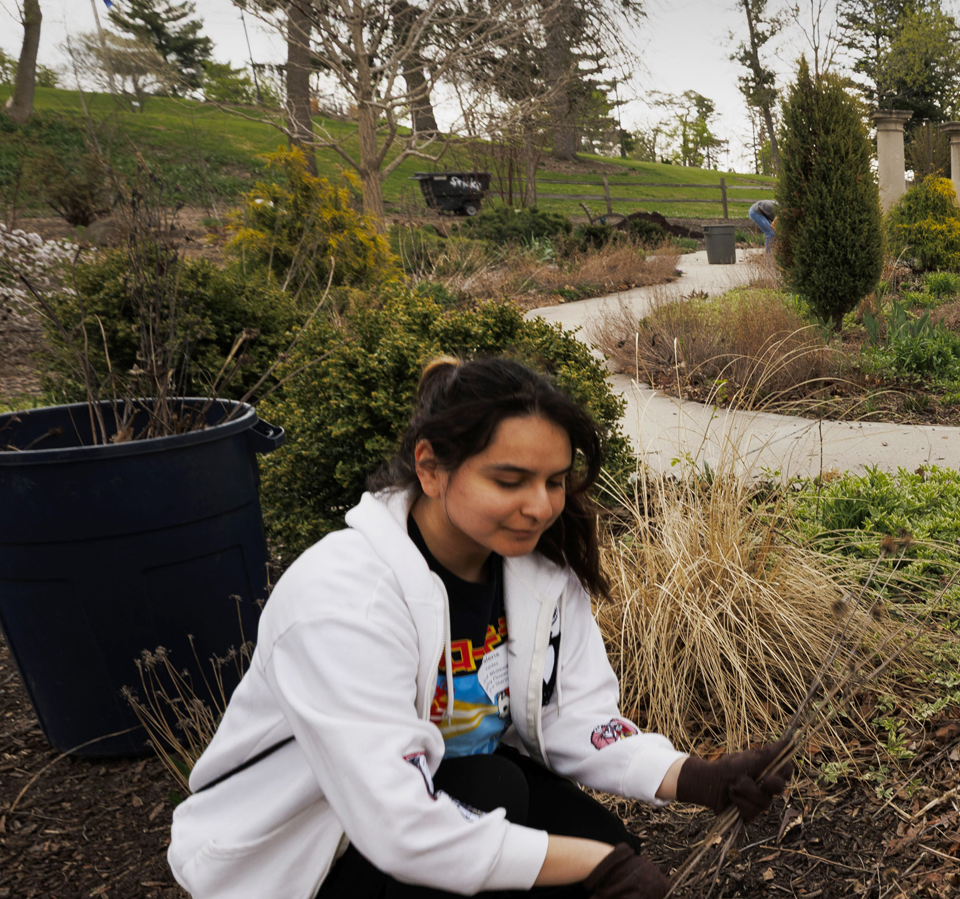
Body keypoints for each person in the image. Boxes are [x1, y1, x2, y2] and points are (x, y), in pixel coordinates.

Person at [169, 357, 790, 898]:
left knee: (543, 811)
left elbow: (569, 715)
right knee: (575, 855)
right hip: (310, 851)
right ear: (432, 468)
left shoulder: (531, 572)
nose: (541, 507)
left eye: (553, 481)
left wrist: (692, 777)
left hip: (455, 785)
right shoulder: (343, 599)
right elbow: (401, 826)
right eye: (509, 480)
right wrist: (593, 865)